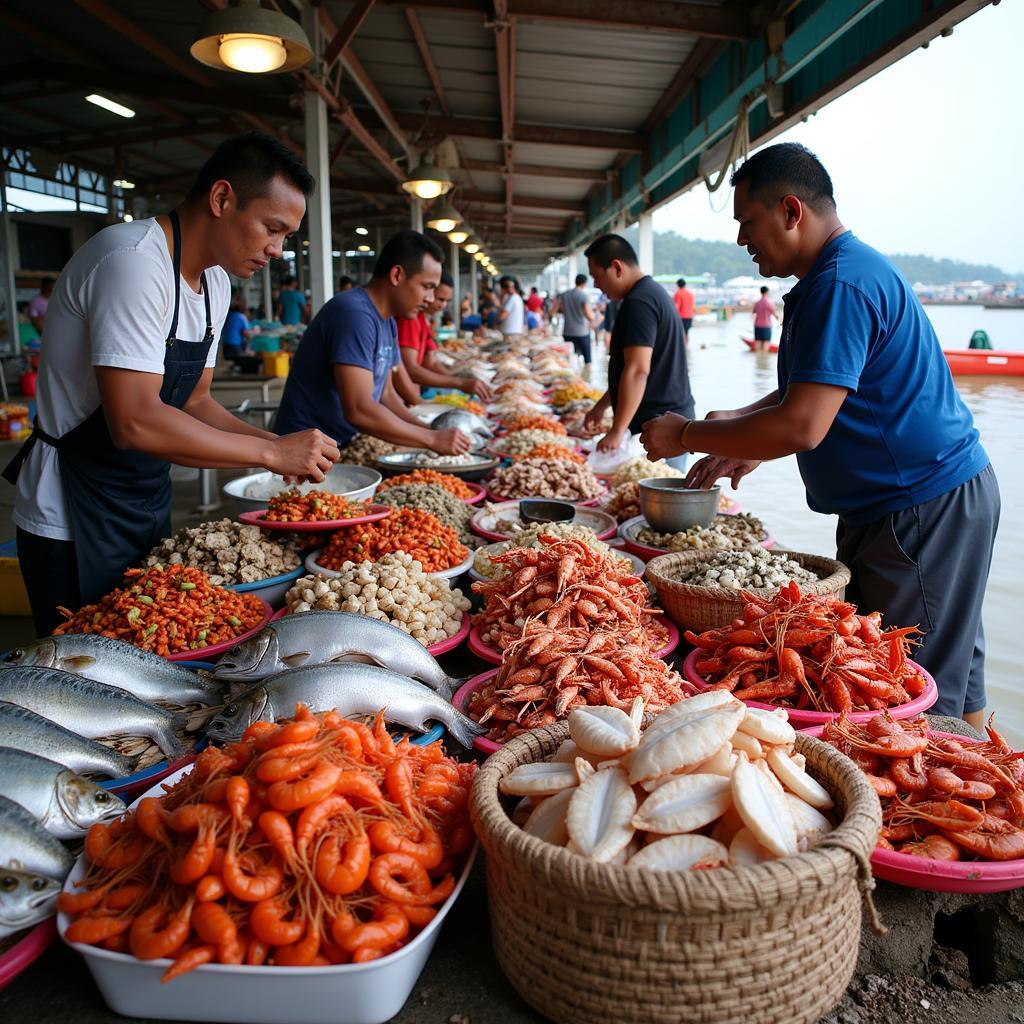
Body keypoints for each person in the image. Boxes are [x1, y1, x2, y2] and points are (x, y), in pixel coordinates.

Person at [639, 142, 999, 727]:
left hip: (919, 508)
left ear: (790, 210)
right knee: (951, 669)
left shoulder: (842, 284)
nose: (740, 241)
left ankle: (942, 807)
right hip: (925, 503)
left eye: (746, 223)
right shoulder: (840, 274)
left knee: (906, 696)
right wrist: (737, 433)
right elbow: (810, 395)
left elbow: (804, 425)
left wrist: (686, 434)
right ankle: (988, 786)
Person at [4, 131, 339, 635]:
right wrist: (269, 456)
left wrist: (276, 443)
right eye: (272, 228)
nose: (276, 249)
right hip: (71, 511)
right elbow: (135, 421)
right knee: (83, 664)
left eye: (287, 236)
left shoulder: (216, 282)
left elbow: (197, 400)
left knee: (150, 639)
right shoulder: (133, 262)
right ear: (222, 198)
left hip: (143, 494)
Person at [273, 231, 471, 456]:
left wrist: (426, 430)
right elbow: (359, 409)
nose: (431, 299)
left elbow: (386, 394)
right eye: (427, 286)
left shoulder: (388, 322)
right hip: (300, 452)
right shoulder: (354, 314)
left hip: (340, 443)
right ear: (397, 275)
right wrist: (430, 438)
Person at [582, 235, 694, 468]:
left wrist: (617, 430)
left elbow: (637, 370)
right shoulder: (650, 294)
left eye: (597, 277)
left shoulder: (639, 303)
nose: (596, 285)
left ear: (616, 268)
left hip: (662, 427)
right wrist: (601, 407)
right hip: (667, 421)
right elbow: (627, 368)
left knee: (661, 501)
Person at [395, 272, 493, 402]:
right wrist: (460, 383)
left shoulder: (424, 320)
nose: (443, 306)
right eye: (440, 299)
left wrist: (459, 381)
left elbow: (430, 361)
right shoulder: (409, 320)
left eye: (447, 301)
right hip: (402, 398)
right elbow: (410, 368)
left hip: (412, 396)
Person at [553, 274, 595, 365]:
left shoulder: (564, 294)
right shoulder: (583, 296)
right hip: (581, 333)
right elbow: (590, 316)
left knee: (569, 359)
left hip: (567, 332)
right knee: (588, 361)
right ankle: (585, 377)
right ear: (584, 283)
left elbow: (554, 310)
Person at [221, 292, 253, 359]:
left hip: (225, 347)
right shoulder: (241, 317)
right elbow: (247, 334)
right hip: (235, 348)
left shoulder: (228, 315)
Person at [751, 285, 779, 350]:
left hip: (757, 326)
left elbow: (753, 312)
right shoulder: (770, 303)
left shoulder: (757, 303)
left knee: (757, 344)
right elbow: (775, 315)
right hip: (766, 326)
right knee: (766, 344)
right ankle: (764, 359)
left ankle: (758, 359)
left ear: (761, 292)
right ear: (767, 292)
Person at [673, 278, 695, 344]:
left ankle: (682, 349)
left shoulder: (678, 293)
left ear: (678, 285)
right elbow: (692, 305)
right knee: (686, 332)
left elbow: (676, 306)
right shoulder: (690, 294)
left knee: (681, 333)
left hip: (681, 316)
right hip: (690, 316)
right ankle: (686, 347)